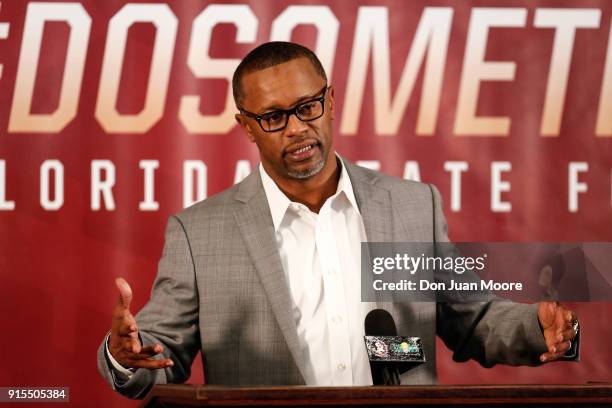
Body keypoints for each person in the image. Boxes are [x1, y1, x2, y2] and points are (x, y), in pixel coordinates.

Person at [97, 42, 578, 399]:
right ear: (245, 125)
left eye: (308, 106)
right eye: (274, 117)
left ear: (330, 99)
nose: (298, 128)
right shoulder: (199, 233)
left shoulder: (412, 206)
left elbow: (470, 319)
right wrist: (125, 356)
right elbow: (159, 352)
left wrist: (536, 327)